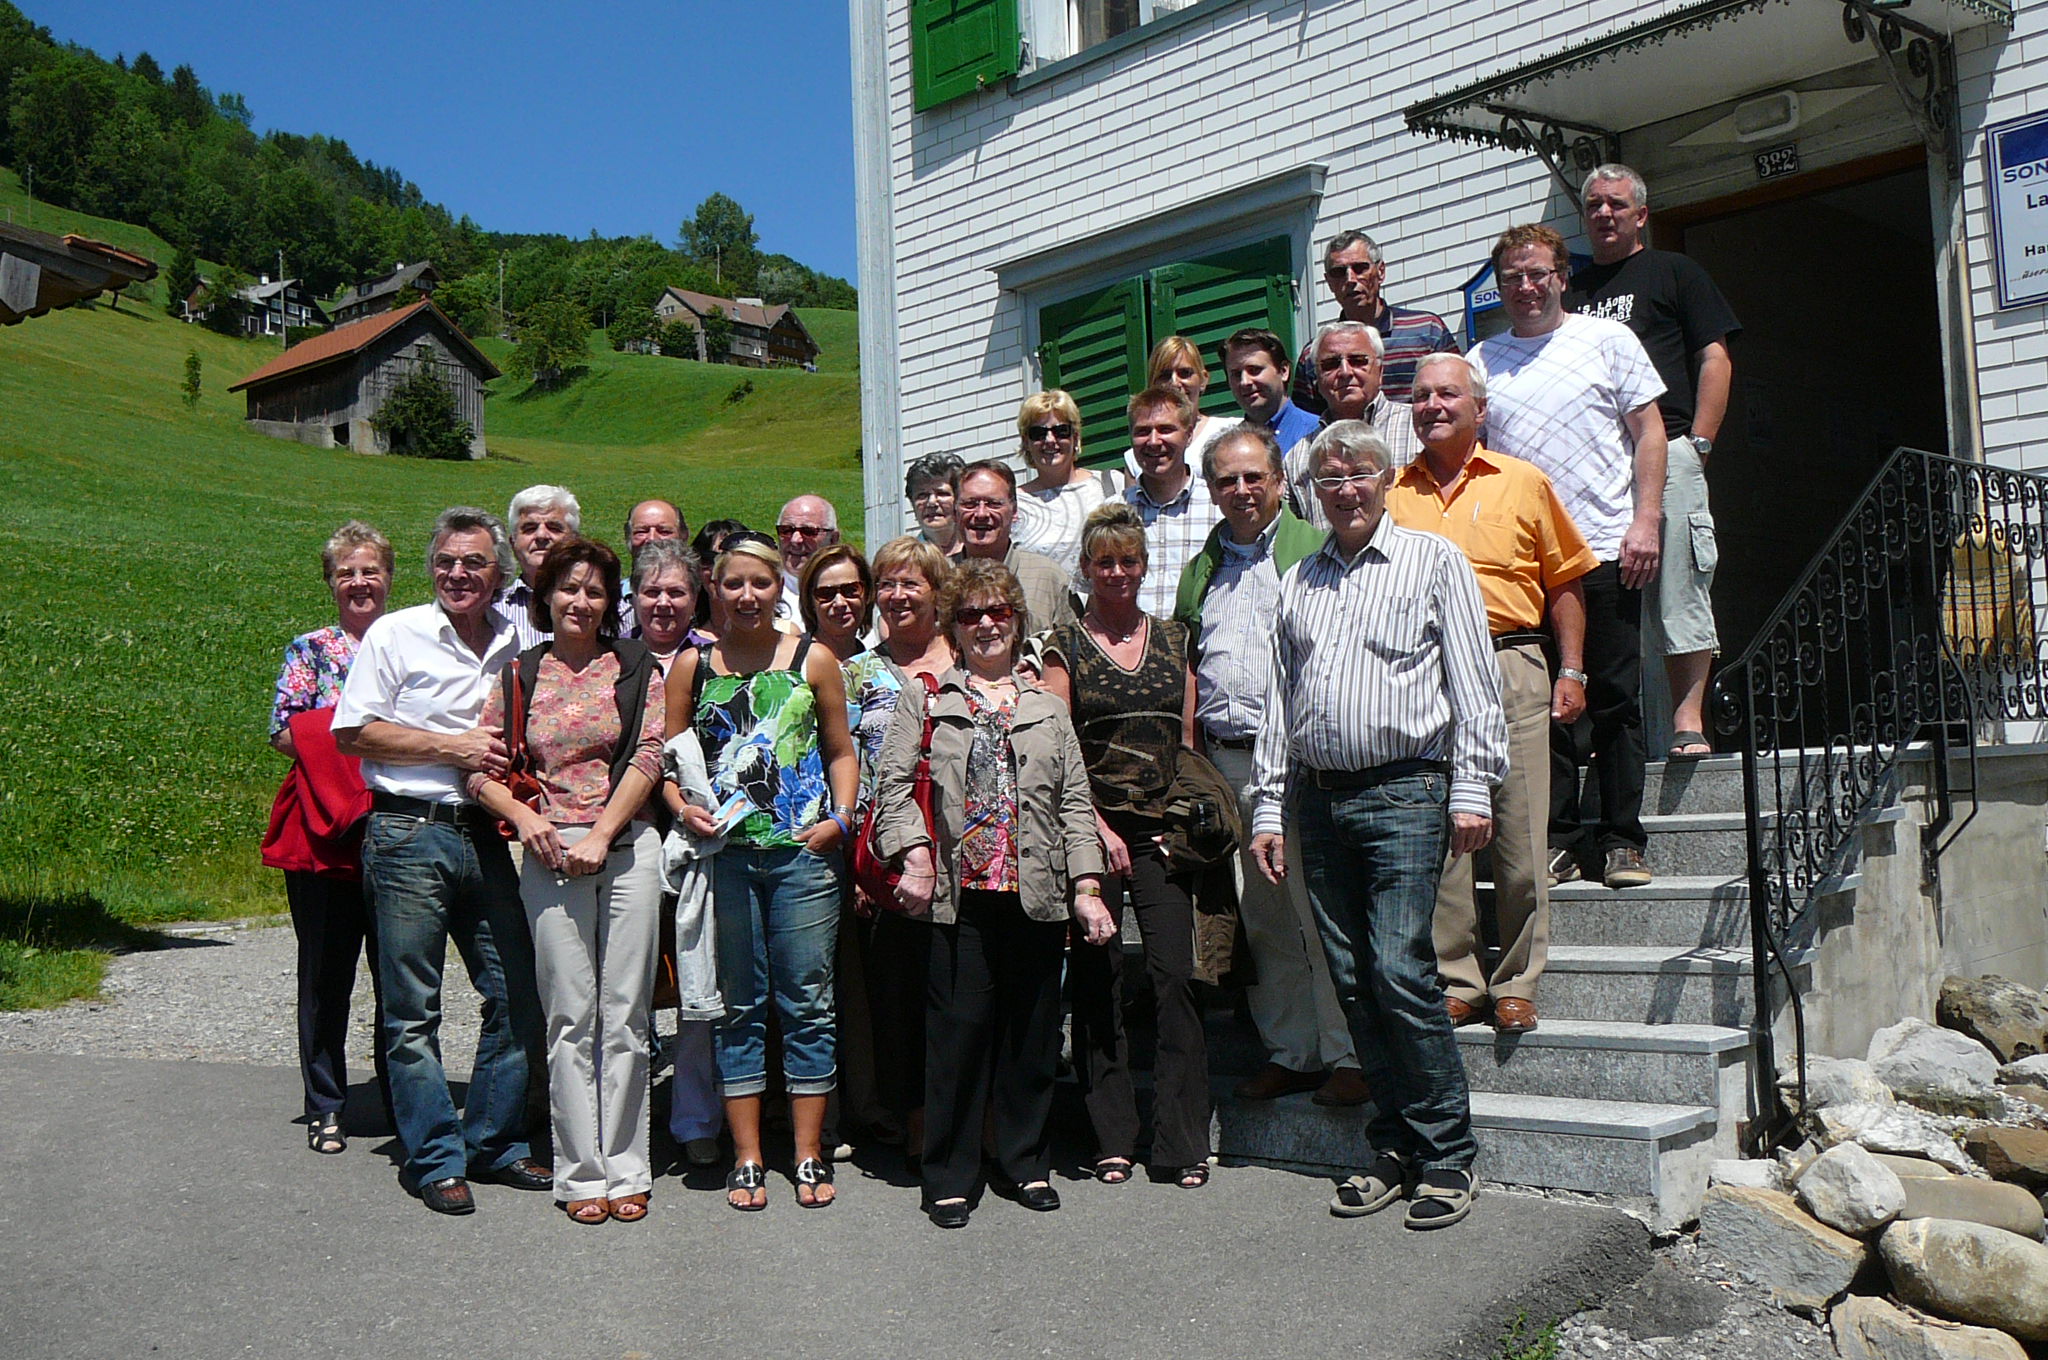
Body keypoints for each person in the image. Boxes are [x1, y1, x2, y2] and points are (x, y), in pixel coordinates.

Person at [1248, 422, 1507, 1232]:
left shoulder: (1434, 561)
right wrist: (1268, 804)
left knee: (1399, 969)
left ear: (1386, 478)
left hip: (1407, 792)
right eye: (1329, 480)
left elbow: (1476, 682)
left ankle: (1447, 1153)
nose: (1346, 490)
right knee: (1354, 980)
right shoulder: (1298, 580)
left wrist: (1473, 787)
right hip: (1320, 801)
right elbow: (1279, 702)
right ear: (1313, 493)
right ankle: (1393, 1145)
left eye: (1358, 473)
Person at [872, 559, 1110, 1228]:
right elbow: (891, 788)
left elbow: (1074, 803)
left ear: (1017, 621)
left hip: (1035, 892)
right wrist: (916, 854)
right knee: (957, 1039)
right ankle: (949, 1174)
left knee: (1031, 1039)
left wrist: (1087, 886)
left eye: (997, 612)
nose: (985, 624)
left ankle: (1024, 1161)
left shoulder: (1047, 708)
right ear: (954, 626)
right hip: (959, 897)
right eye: (971, 614)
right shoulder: (926, 699)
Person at [332, 507, 549, 1216]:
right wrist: (449, 747)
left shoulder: (519, 638)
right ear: (431, 568)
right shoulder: (396, 634)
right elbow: (353, 731)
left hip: (485, 833)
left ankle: (491, 1141)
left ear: (499, 573)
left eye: (474, 562)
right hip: (406, 832)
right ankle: (434, 1158)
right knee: (411, 1009)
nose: (458, 574)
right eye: (447, 561)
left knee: (516, 992)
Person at [1386, 354, 1597, 1033]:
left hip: (1511, 663)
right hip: (1426, 673)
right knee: (1446, 833)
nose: (1432, 405)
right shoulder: (1392, 492)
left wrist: (1571, 669)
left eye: (1447, 393)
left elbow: (1564, 581)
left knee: (1518, 830)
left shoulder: (1522, 482)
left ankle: (1518, 981)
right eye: (1421, 396)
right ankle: (1459, 979)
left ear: (1479, 408)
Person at [468, 538, 666, 1225]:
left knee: (627, 1015)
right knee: (569, 1017)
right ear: (546, 596)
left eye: (596, 591)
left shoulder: (636, 666)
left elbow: (649, 756)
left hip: (627, 848)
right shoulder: (520, 675)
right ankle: (581, 1173)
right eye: (570, 588)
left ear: (611, 603)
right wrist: (525, 818)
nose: (581, 601)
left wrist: (604, 834)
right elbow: (479, 771)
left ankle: (627, 1167)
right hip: (549, 855)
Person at [1170, 429, 1368, 1107]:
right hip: (1229, 763)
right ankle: (1293, 1051)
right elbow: (1192, 663)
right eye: (1227, 480)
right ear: (1211, 489)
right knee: (1264, 917)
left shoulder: (1317, 550)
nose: (1242, 490)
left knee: (1319, 912)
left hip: (1300, 763)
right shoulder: (1202, 569)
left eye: (1254, 477)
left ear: (1281, 482)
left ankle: (1349, 1053)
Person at [664, 534, 859, 1211]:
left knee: (807, 1002)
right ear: (714, 589)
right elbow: (670, 762)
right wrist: (681, 807)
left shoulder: (813, 659)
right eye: (733, 583)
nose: (747, 596)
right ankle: (746, 1156)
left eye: (761, 583)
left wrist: (840, 818)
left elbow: (840, 750)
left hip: (802, 855)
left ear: (780, 588)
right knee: (738, 1005)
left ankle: (806, 1152)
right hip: (726, 857)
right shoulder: (693, 666)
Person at [1473, 223, 1667, 891]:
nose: (1525, 287)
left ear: (1561, 277)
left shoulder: (1608, 340)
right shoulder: (1481, 361)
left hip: (1605, 545)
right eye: (1512, 278)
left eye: (1537, 274)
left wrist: (1646, 520)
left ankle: (1621, 839)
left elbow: (1649, 433)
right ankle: (1557, 838)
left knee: (1613, 698)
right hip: (1522, 564)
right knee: (1539, 706)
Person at [1044, 502, 1213, 1190]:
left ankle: (1181, 1141)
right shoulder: (1064, 646)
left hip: (1163, 831)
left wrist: (1182, 821)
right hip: (1091, 829)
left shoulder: (1173, 638)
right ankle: (1111, 1136)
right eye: (1104, 561)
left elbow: (1189, 742)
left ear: (1144, 567)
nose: (1117, 572)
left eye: (1128, 561)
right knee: (1099, 978)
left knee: (1174, 977)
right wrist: (1098, 829)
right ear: (1086, 569)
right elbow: (1060, 751)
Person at [1569, 164, 1740, 761]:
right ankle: (1606, 730)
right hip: (1595, 461)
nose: (1604, 213)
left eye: (1616, 204)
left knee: (1678, 585)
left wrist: (1700, 443)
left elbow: (1714, 357)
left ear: (1640, 214)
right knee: (1599, 594)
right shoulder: (1573, 293)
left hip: (1667, 446)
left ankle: (1687, 722)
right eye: (1594, 204)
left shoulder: (1675, 272)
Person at [264, 520, 393, 1156]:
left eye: (370, 571)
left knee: (398, 973)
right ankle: (325, 1104)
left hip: (394, 823)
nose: (359, 582)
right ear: (331, 583)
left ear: (389, 578)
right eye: (347, 573)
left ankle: (403, 1096)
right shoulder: (310, 649)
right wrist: (362, 740)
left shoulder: (408, 641)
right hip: (322, 827)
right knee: (325, 972)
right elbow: (283, 731)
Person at [630, 538, 723, 1169]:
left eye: (677, 591)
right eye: (651, 591)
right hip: (629, 839)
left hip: (704, 840)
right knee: (630, 990)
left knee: (697, 986)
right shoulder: (613, 659)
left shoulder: (717, 658)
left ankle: (695, 1120)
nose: (663, 603)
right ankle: (626, 1124)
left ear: (696, 597)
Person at [1292, 230, 1460, 409]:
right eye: (1339, 272)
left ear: (1380, 271)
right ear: (1329, 282)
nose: (1350, 279)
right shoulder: (1316, 354)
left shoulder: (1427, 331)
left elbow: (1459, 391)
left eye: (1359, 268)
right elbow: (1306, 418)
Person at [1283, 321, 1422, 530]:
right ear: (1317, 379)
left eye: (1357, 361)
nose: (1345, 372)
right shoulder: (1298, 458)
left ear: (1380, 371)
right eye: (1331, 364)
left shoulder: (1419, 428)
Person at [1120, 385, 1221, 620]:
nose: (1154, 441)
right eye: (1143, 431)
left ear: (1189, 435)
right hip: (1132, 640)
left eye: (1165, 429)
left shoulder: (1218, 506)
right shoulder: (1114, 513)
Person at [953, 460, 1078, 636]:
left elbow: (1073, 646)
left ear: (1014, 511)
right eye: (970, 504)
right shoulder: (937, 579)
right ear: (954, 512)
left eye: (993, 503)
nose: (981, 514)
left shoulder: (1048, 578)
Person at [1012, 390, 1112, 584]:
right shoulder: (1014, 503)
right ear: (1026, 442)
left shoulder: (1108, 485)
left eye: (1061, 431)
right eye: (1038, 433)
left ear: (1075, 437)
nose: (1050, 440)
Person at [496, 485, 581, 650]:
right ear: (513, 543)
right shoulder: (491, 610)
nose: (541, 535)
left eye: (554, 528)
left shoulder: (607, 609)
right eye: (529, 528)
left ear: (575, 541)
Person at [1222, 327, 1320, 453]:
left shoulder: (1316, 434)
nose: (1244, 382)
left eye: (1254, 370)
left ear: (1284, 371)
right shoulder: (1227, 448)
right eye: (1236, 374)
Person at [1148, 335, 1236, 474]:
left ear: (1203, 380)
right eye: (1165, 375)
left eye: (1184, 373)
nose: (1174, 383)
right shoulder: (1141, 452)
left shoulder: (1231, 432)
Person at [618, 499, 689, 634]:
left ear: (684, 536)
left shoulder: (703, 603)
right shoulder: (609, 602)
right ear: (628, 538)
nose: (651, 538)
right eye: (641, 531)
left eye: (664, 531)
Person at [800, 543, 875, 663]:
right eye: (826, 593)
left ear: (867, 594)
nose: (840, 603)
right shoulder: (791, 660)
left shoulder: (873, 665)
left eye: (850, 590)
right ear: (810, 601)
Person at [774, 495, 841, 618]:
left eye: (808, 531)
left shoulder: (849, 595)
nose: (795, 540)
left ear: (833, 539)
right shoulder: (764, 593)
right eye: (786, 530)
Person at [905, 453, 966, 557]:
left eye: (942, 493)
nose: (931, 502)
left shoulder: (980, 551)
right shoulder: (906, 559)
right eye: (922, 495)